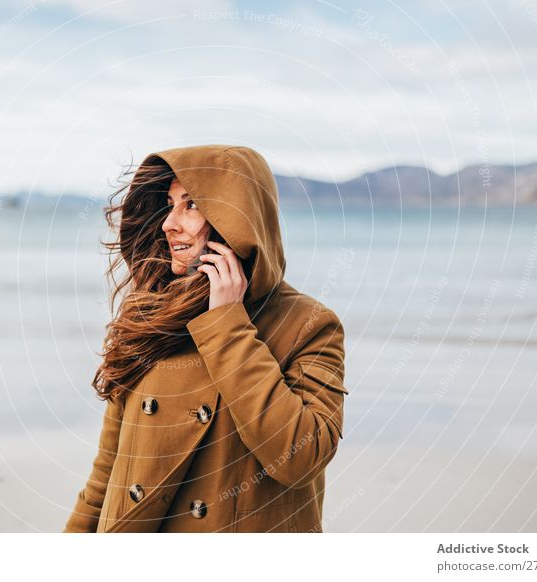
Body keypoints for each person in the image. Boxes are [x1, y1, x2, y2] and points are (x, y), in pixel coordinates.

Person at [63, 144, 347, 533]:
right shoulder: (149, 316)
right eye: (168, 204)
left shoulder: (309, 324)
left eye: (191, 205)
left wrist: (227, 326)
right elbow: (107, 474)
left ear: (238, 217)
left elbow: (301, 457)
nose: (169, 224)